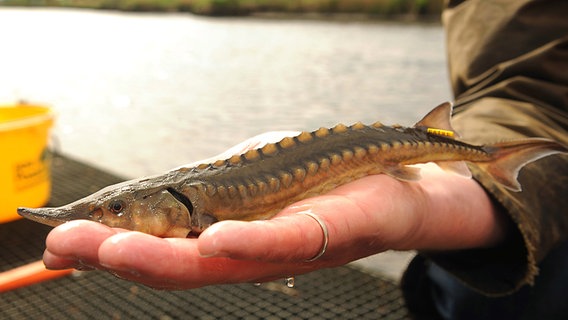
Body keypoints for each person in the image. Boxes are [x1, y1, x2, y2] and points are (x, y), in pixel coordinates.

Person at [43, 0, 567, 318]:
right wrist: (477, 195)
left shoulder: (200, 212)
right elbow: (529, 84)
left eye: (114, 212)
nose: (111, 217)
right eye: (111, 211)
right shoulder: (190, 202)